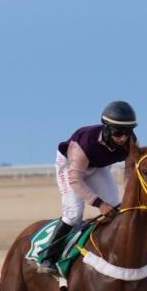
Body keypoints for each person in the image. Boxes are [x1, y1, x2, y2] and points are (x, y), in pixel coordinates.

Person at [38, 101, 137, 275]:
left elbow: (129, 171)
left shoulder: (131, 142)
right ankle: (48, 257)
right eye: (117, 132)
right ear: (106, 129)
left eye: (127, 132)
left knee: (116, 206)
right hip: (70, 166)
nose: (123, 138)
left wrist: (128, 197)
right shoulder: (84, 143)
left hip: (96, 166)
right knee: (74, 213)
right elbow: (76, 180)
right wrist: (99, 204)